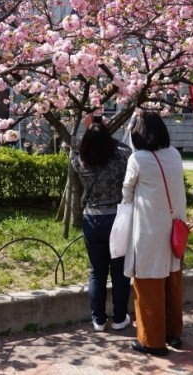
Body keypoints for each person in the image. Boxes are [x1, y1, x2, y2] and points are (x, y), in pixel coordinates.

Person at [122, 111, 187, 356]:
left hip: (149, 233)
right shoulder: (175, 154)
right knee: (172, 283)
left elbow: (126, 194)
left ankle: (152, 341)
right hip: (174, 231)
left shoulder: (137, 159)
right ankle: (173, 333)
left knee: (148, 286)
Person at [70, 114, 133, 332]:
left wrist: (91, 129)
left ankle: (98, 319)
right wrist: (105, 131)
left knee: (96, 271)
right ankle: (119, 317)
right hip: (117, 220)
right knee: (119, 271)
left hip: (92, 219)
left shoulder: (80, 161)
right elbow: (127, 149)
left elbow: (75, 149)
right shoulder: (120, 158)